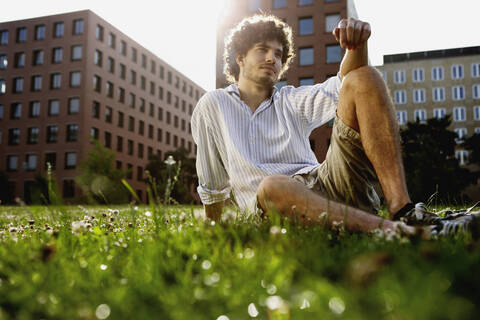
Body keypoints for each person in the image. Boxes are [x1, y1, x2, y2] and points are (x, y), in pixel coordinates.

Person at [191, 14, 478, 237]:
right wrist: (215, 232)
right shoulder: (214, 105)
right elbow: (212, 183)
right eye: (262, 50)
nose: (272, 58)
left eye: (278, 54)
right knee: (272, 186)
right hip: (274, 205)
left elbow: (344, 84)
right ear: (239, 57)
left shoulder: (289, 100)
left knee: (364, 77)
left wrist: (355, 46)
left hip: (328, 184)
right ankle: (397, 233)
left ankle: (403, 211)